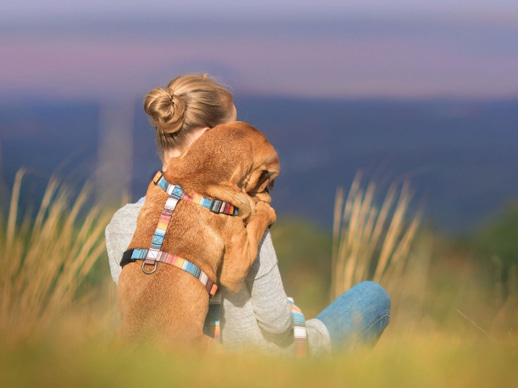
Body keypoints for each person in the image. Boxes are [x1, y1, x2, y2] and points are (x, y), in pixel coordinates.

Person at [105, 73, 390, 355]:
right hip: (260, 362)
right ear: (211, 137)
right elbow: (276, 324)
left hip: (172, 367)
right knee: (372, 297)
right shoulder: (239, 212)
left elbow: (142, 318)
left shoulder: (125, 221)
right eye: (234, 131)